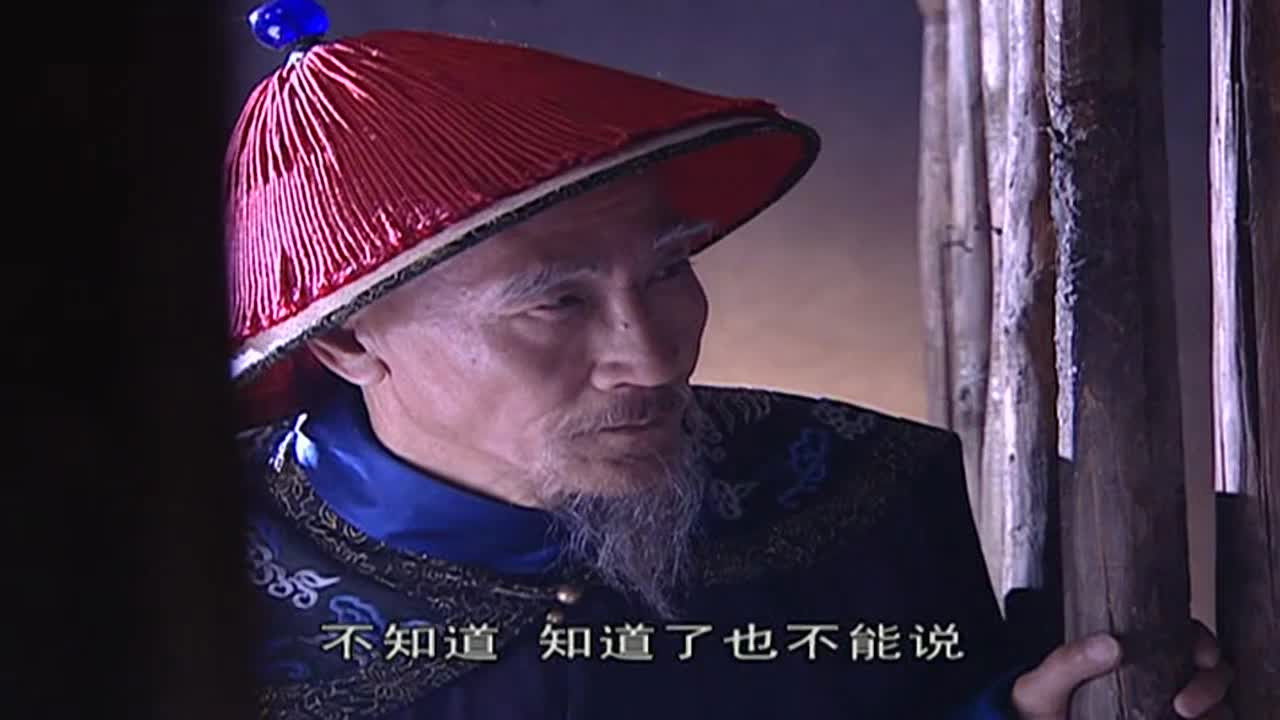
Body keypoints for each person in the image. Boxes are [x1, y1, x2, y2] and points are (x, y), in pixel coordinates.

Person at [229, 2, 1233, 718]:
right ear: (347, 340)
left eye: (668, 269)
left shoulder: (861, 489)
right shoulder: (197, 585)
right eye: (556, 301)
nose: (650, 355)